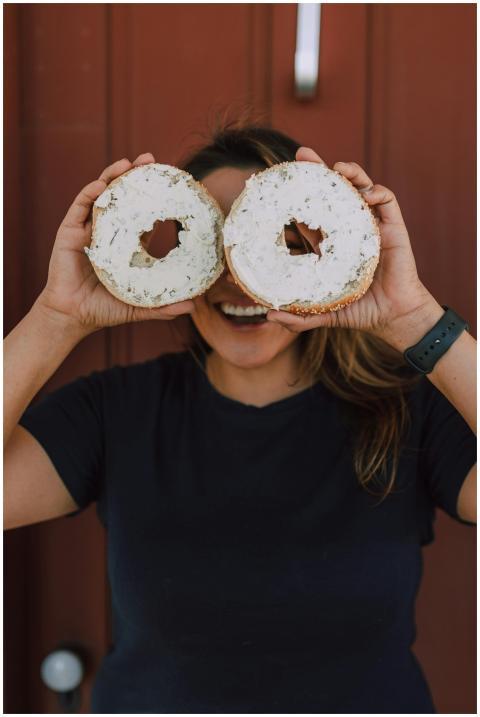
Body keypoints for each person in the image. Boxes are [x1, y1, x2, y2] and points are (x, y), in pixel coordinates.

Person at [4, 123, 476, 714]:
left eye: (270, 238)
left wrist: (413, 320)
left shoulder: (408, 411)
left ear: (317, 249)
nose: (236, 275)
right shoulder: (116, 411)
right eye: (211, 243)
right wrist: (56, 317)